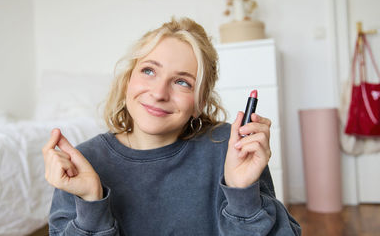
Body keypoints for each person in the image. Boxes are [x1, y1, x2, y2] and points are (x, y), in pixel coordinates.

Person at [42, 17, 301, 235]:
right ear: (127, 81)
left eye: (182, 82)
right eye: (149, 71)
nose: (159, 93)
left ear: (200, 102)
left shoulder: (231, 148)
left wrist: (241, 193)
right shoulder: (83, 162)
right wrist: (91, 201)